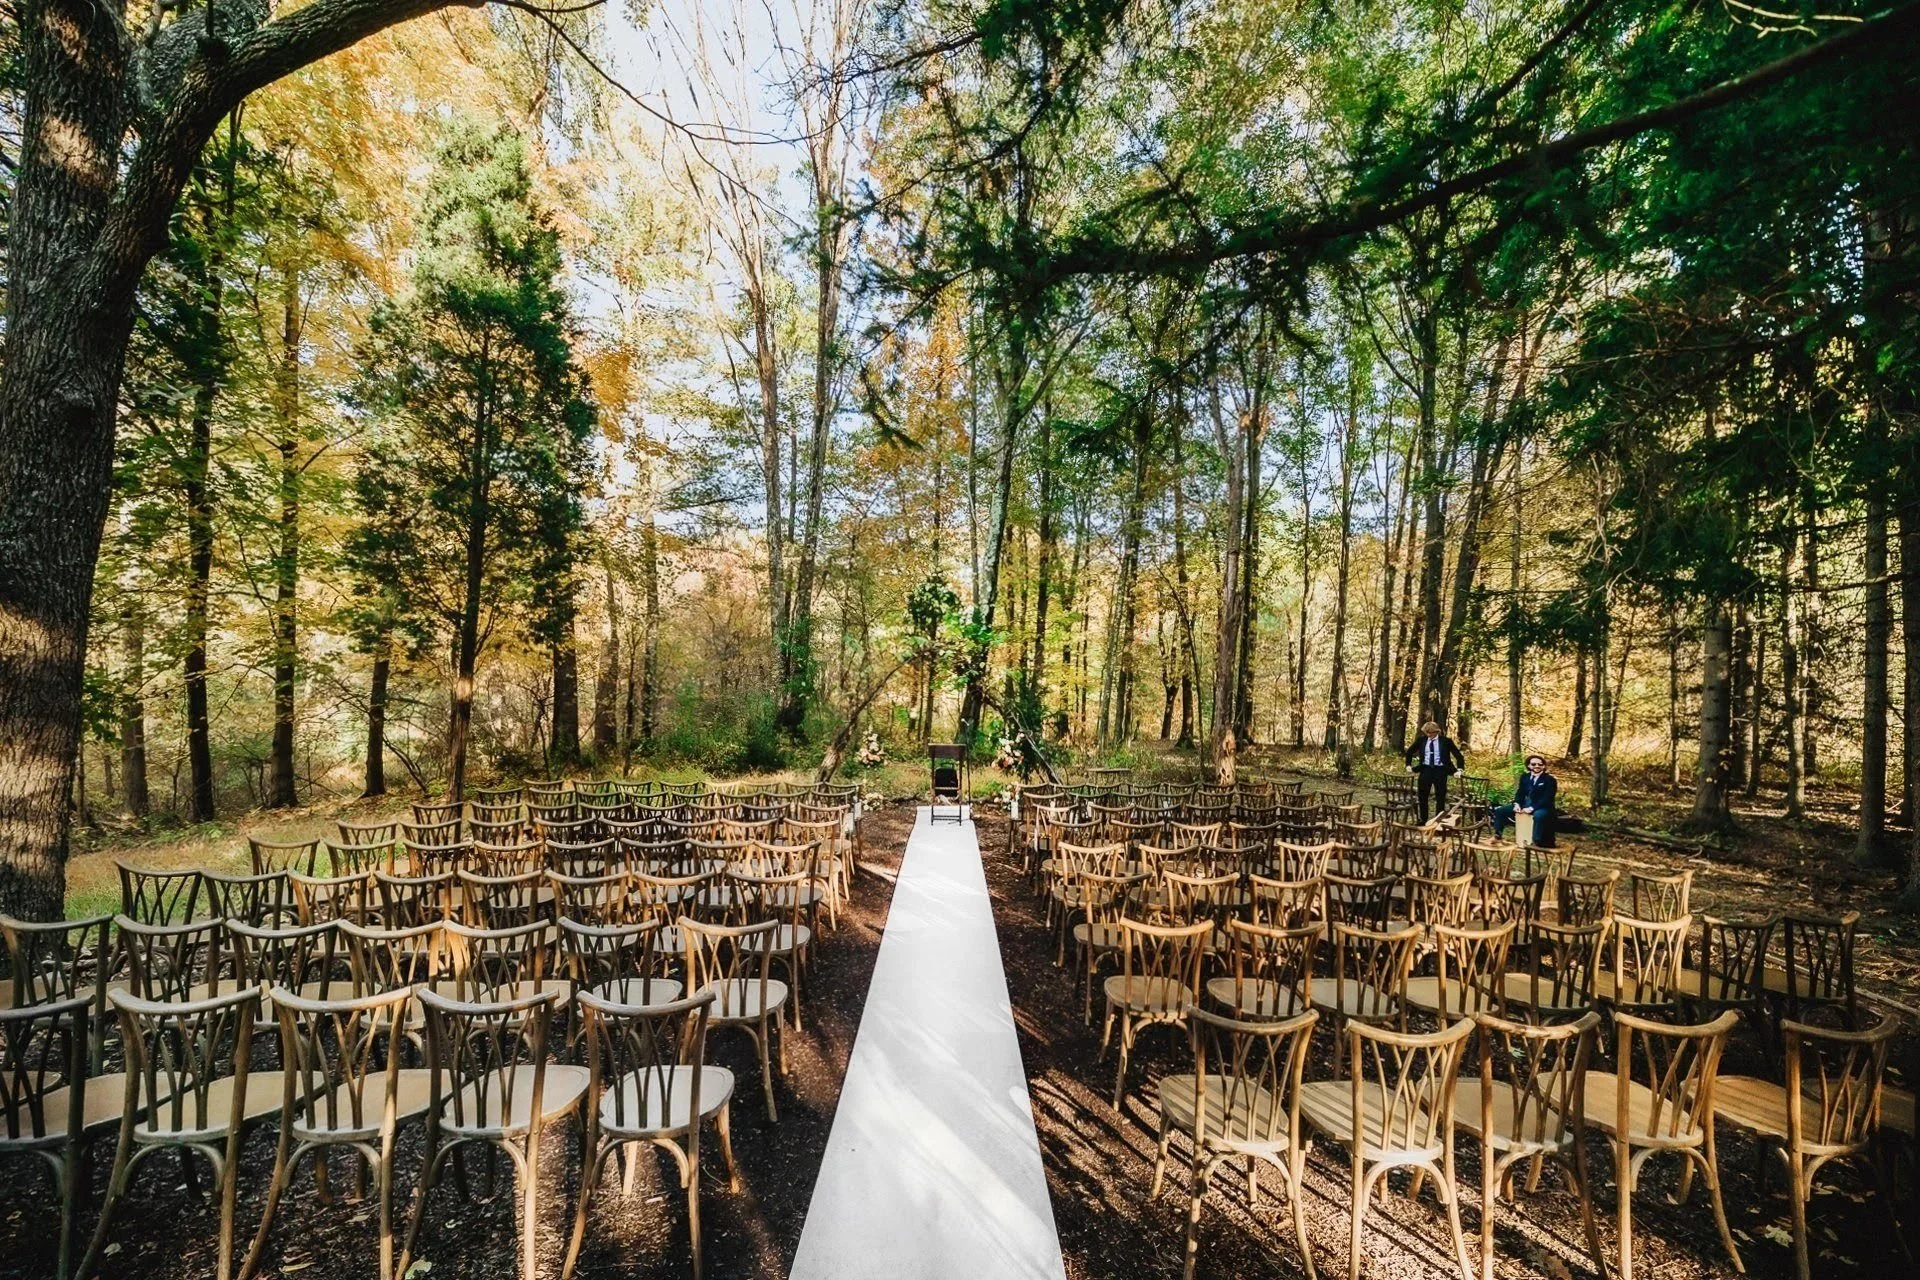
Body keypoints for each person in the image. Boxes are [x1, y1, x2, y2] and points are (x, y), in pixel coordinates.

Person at [1402, 720, 1465, 823]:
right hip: (1425, 769)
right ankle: (1423, 820)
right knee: (1422, 796)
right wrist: (1408, 765)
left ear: (1437, 731)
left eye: (1430, 733)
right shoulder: (1421, 740)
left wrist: (1459, 769)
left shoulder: (1446, 741)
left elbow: (1458, 756)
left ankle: (1437, 821)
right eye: (1426, 732)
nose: (1428, 735)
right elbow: (1409, 751)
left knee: (1440, 796)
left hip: (1440, 771)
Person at [1490, 755, 1558, 848]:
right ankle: (1497, 836)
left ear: (1544, 766)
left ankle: (1535, 842)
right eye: (1533, 764)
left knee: (1538, 816)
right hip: (1525, 804)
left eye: (1540, 764)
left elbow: (1547, 798)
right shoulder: (1525, 777)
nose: (1537, 766)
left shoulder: (1550, 780)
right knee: (1500, 811)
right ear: (1529, 765)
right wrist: (1517, 804)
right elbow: (1520, 792)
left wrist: (1531, 808)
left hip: (1542, 807)